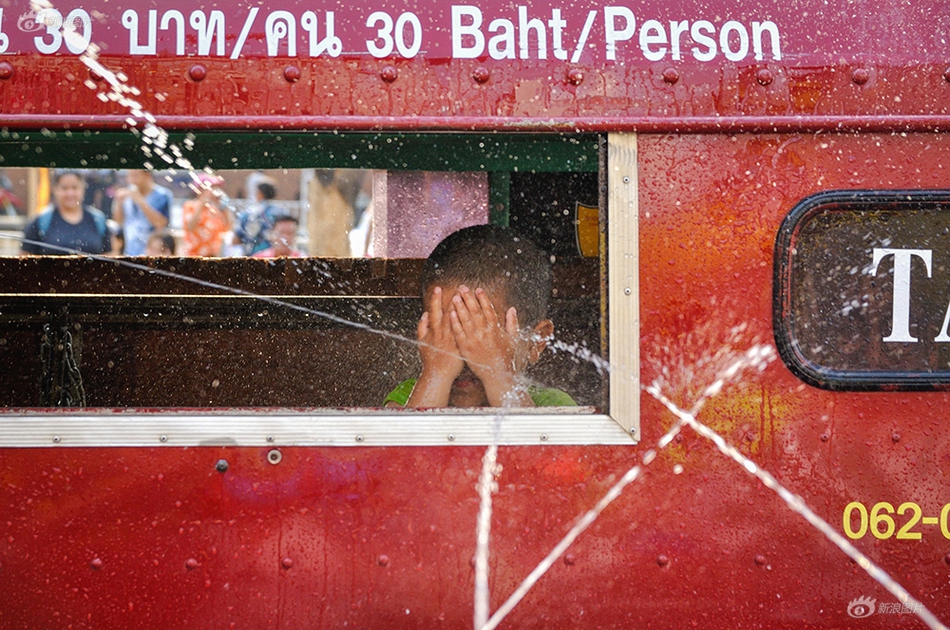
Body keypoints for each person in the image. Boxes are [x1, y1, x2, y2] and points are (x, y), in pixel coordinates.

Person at [384, 224, 576, 408]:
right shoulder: (410, 397)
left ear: (537, 340)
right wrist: (437, 373)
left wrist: (499, 373)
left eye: (483, 333)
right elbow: (407, 438)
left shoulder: (552, 407)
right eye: (448, 332)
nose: (467, 351)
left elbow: (532, 440)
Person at [20, 170, 111, 256]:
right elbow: (24, 257)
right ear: (55, 189)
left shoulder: (97, 219)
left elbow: (109, 256)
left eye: (74, 187)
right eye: (64, 188)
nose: (70, 193)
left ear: (83, 189)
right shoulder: (42, 220)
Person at [111, 169, 173, 256]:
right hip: (129, 252)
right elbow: (118, 222)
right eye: (129, 176)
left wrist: (140, 200)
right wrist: (118, 203)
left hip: (153, 254)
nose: (131, 181)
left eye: (135, 176)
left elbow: (161, 224)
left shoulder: (162, 195)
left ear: (147, 175)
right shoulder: (128, 195)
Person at [182, 173, 232, 257]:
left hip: (213, 257)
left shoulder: (214, 209)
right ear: (200, 189)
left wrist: (224, 207)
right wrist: (203, 202)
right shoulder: (190, 206)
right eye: (211, 187)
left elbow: (227, 228)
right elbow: (190, 227)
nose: (214, 190)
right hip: (194, 257)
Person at [233, 180, 279, 256]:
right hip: (273, 258)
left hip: (251, 258)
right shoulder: (281, 213)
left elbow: (236, 239)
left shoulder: (248, 213)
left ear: (260, 193)